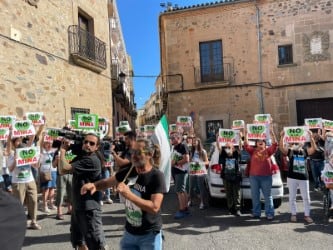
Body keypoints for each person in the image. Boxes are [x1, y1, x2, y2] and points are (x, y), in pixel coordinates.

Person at [81, 138, 166, 250]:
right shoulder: (131, 169)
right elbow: (109, 182)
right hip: (130, 233)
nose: (133, 156)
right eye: (132, 152)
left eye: (138, 153)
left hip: (149, 235)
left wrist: (128, 194)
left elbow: (154, 207)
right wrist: (94, 185)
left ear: (149, 154)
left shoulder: (156, 176)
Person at [59, 133, 107, 250]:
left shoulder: (92, 160)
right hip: (78, 206)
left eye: (92, 143)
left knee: (96, 244)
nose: (87, 145)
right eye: (85, 142)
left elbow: (63, 169)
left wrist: (63, 151)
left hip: (89, 209)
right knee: (78, 242)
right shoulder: (83, 156)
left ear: (97, 147)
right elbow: (62, 169)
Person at [7, 128, 41, 230]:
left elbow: (35, 166)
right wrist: (16, 160)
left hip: (29, 180)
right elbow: (10, 169)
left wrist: (37, 159)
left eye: (19, 141)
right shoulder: (11, 154)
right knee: (19, 203)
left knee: (34, 201)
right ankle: (18, 223)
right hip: (18, 182)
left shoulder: (26, 151)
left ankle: (33, 221)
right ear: (13, 144)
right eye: (16, 141)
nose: (18, 143)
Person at [279, 130, 315, 223]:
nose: (298, 143)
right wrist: (282, 136)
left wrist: (311, 138)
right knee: (292, 196)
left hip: (304, 178)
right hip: (292, 177)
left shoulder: (305, 151)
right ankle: (293, 214)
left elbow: (313, 149)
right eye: (296, 142)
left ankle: (307, 215)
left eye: (300, 141)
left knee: (306, 197)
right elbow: (281, 148)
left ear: (303, 143)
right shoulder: (291, 151)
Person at [244, 124, 277, 220]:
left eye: (262, 141)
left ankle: (269, 213)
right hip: (254, 177)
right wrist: (246, 133)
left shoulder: (268, 151)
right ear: (256, 143)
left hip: (266, 177)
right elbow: (246, 144)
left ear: (265, 143)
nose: (260, 142)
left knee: (268, 196)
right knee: (255, 196)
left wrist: (271, 132)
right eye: (258, 141)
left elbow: (275, 144)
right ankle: (256, 213)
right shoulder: (252, 151)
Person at [218, 142, 242, 216]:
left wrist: (240, 138)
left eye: (229, 147)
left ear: (233, 148)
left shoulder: (236, 154)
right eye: (226, 147)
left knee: (237, 193)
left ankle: (237, 209)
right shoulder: (223, 154)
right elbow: (219, 148)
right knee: (228, 193)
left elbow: (240, 148)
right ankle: (230, 209)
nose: (227, 149)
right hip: (226, 176)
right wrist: (217, 139)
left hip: (235, 176)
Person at [170, 132, 190, 219]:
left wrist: (176, 163)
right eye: (171, 138)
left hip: (180, 172)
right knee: (182, 190)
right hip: (177, 172)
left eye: (173, 138)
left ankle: (182, 210)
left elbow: (187, 159)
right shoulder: (175, 147)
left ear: (178, 138)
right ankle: (185, 208)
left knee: (180, 191)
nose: (171, 139)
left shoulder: (183, 146)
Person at [38, 133, 57, 213]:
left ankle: (51, 203)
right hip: (45, 172)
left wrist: (54, 137)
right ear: (44, 144)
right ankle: (44, 205)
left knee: (52, 188)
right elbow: (40, 144)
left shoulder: (53, 150)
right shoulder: (42, 151)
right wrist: (43, 136)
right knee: (45, 189)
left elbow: (57, 144)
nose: (49, 144)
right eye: (47, 143)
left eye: (50, 143)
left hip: (53, 171)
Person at [189, 137, 209, 210]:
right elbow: (190, 161)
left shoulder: (203, 151)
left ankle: (202, 203)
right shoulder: (192, 151)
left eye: (195, 141)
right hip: (193, 171)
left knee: (201, 188)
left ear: (199, 142)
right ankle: (190, 200)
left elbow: (207, 162)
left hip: (201, 172)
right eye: (193, 141)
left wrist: (200, 163)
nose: (193, 142)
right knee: (191, 187)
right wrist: (191, 162)